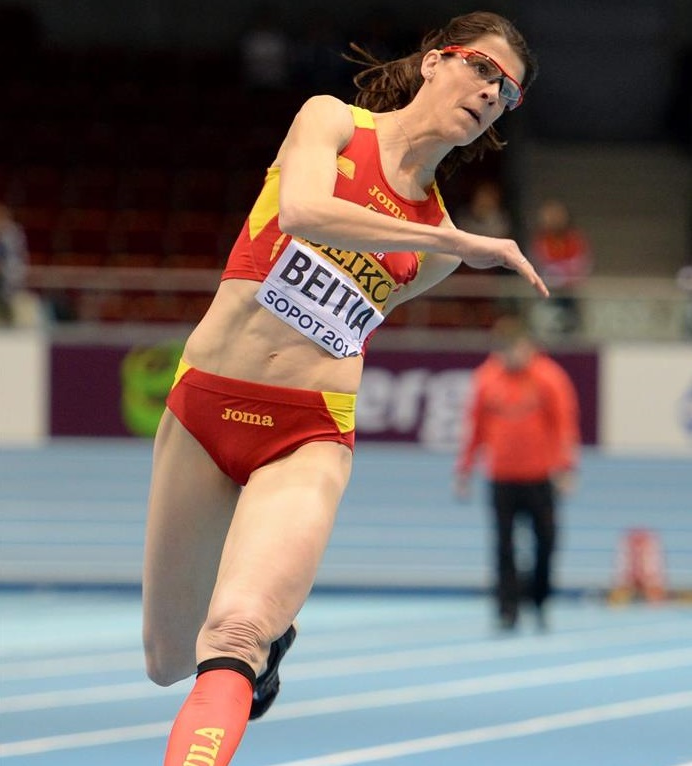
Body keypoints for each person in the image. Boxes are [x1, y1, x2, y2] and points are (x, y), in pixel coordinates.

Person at [143, 11, 546, 765]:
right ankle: (274, 642)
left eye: (509, 93)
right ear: (434, 61)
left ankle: (256, 638)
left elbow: (347, 322)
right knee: (167, 658)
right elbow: (303, 211)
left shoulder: (435, 249)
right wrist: (454, 239)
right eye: (483, 69)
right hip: (204, 406)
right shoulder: (331, 122)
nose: (493, 93)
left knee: (232, 633)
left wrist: (442, 240)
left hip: (307, 431)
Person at [454, 316, 580, 632]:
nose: (511, 356)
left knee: (546, 542)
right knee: (504, 546)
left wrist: (566, 467)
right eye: (505, 351)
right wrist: (465, 468)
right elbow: (474, 427)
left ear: (529, 347)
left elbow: (564, 424)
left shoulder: (549, 377)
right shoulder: (486, 379)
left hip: (540, 477)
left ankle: (539, 600)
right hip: (502, 477)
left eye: (516, 349)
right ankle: (507, 609)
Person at [529, 198, 592, 334]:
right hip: (547, 291)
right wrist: (555, 273)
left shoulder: (573, 238)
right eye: (549, 216)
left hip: (570, 291)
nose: (553, 220)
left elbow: (581, 263)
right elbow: (538, 264)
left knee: (571, 328)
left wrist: (564, 273)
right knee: (547, 326)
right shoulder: (541, 240)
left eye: (557, 215)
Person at [0, 203, 28, 326]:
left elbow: (17, 257)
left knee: (9, 300)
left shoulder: (13, 234)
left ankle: (9, 320)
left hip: (9, 276)